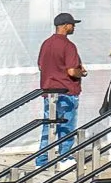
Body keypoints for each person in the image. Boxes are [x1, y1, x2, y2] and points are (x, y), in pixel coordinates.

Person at [36, 11, 85, 167]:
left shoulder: (46, 43)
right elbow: (72, 71)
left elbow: (40, 65)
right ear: (66, 26)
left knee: (48, 126)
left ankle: (42, 160)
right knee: (66, 126)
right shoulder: (68, 45)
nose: (74, 27)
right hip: (67, 90)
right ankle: (65, 158)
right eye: (72, 24)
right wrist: (82, 72)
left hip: (49, 91)